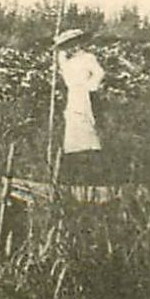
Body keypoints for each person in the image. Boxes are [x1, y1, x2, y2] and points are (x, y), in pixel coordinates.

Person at [54, 28, 107, 183]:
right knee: (72, 127)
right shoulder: (68, 63)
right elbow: (64, 72)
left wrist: (90, 86)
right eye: (68, 45)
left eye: (74, 43)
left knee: (86, 126)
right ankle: (74, 161)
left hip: (84, 95)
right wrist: (59, 52)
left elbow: (99, 73)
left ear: (80, 43)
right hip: (73, 96)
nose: (73, 47)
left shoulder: (88, 58)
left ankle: (91, 160)